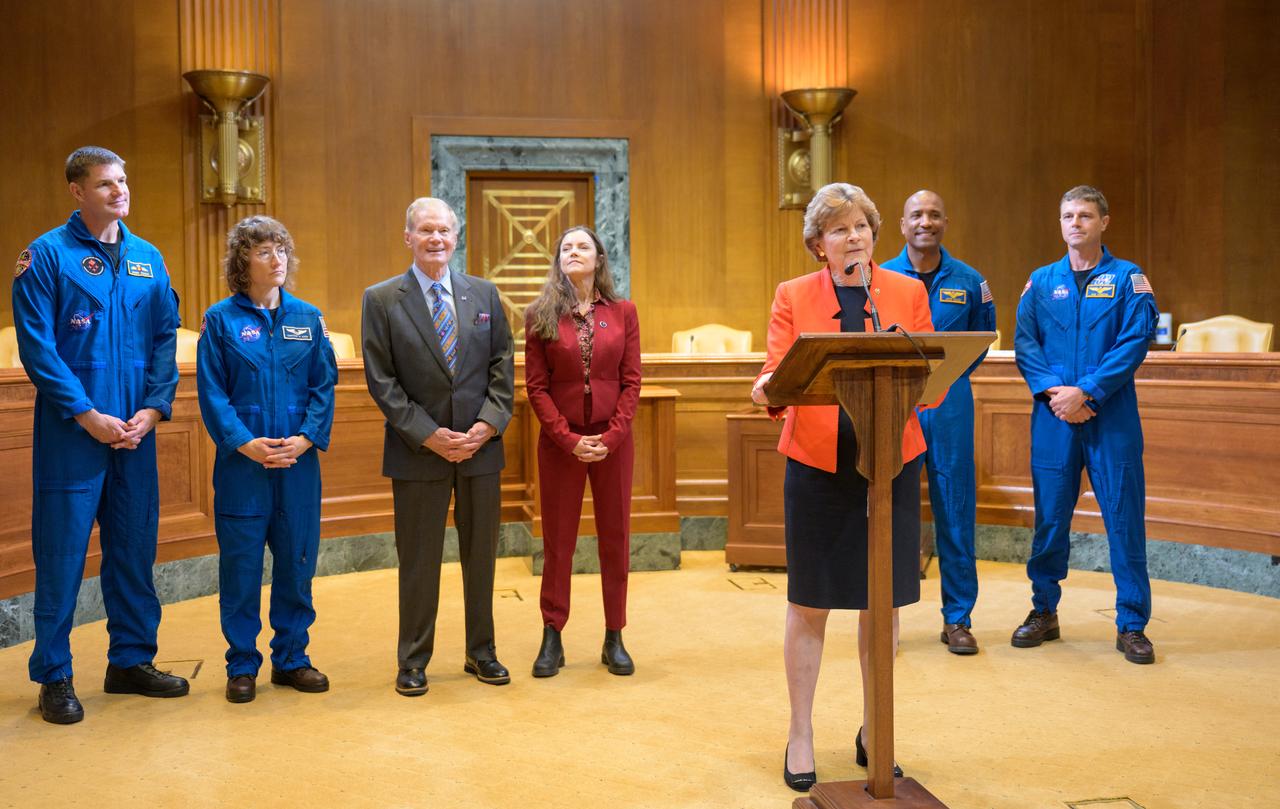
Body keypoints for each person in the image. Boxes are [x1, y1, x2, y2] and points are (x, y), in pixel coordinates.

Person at [751, 182, 935, 790]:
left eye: (861, 227)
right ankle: (800, 732)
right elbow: (780, 366)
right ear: (818, 245)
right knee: (811, 600)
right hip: (818, 466)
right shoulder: (792, 295)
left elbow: (928, 369)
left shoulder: (907, 292)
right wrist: (766, 385)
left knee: (880, 602)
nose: (853, 238)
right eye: (839, 230)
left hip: (892, 462)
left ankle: (873, 727)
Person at [11, 146, 188, 724]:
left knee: (134, 550)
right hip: (73, 434)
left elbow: (166, 339)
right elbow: (38, 349)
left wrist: (155, 410)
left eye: (124, 180)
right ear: (77, 191)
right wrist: (86, 413)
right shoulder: (45, 257)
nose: (120, 191)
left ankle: (130, 661)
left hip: (136, 433)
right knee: (62, 555)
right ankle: (55, 675)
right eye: (107, 183)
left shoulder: (147, 258)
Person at [361, 197, 515, 696]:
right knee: (419, 561)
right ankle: (413, 660)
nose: (436, 239)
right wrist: (428, 434)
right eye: (426, 230)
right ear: (408, 236)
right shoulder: (382, 299)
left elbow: (502, 368)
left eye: (445, 231)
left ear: (456, 236)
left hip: (480, 451)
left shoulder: (484, 295)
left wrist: (487, 427)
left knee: (481, 557)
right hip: (417, 452)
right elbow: (382, 381)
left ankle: (482, 651)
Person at [1012, 185, 1159, 665]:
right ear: (1060, 223)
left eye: (1086, 215)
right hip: (1054, 416)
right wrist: (1059, 392)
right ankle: (1044, 612)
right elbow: (1025, 343)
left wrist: (1088, 391)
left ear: (1104, 222)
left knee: (1122, 519)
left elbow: (1134, 342)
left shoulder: (1128, 279)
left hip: (1110, 416)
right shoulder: (1040, 281)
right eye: (1068, 215)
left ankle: (1132, 624)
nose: (1075, 223)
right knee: (1050, 521)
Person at [195, 216, 338, 703]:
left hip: (298, 465)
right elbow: (212, 394)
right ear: (242, 262)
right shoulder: (220, 321)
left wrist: (306, 438)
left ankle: (292, 659)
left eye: (281, 250)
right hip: (243, 467)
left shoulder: (308, 318)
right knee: (241, 567)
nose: (276, 259)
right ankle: (241, 664)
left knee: (298, 562)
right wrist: (243, 442)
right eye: (263, 252)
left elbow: (324, 386)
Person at [523, 226, 641, 678]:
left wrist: (611, 437)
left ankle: (615, 636)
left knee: (616, 539)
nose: (574, 252)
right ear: (558, 259)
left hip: (614, 442)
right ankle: (552, 634)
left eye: (582, 246)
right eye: (566, 247)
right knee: (559, 542)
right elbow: (536, 387)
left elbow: (632, 381)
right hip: (560, 444)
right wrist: (568, 439)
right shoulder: (540, 314)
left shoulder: (624, 311)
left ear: (599, 258)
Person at [881, 190, 996, 655]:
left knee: (956, 509)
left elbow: (983, 338)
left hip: (950, 402)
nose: (924, 222)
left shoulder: (970, 281)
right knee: (889, 511)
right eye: (916, 215)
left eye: (933, 215)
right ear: (902, 223)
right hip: (896, 404)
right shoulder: (879, 278)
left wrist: (947, 380)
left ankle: (958, 619)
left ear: (945, 222)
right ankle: (885, 619)